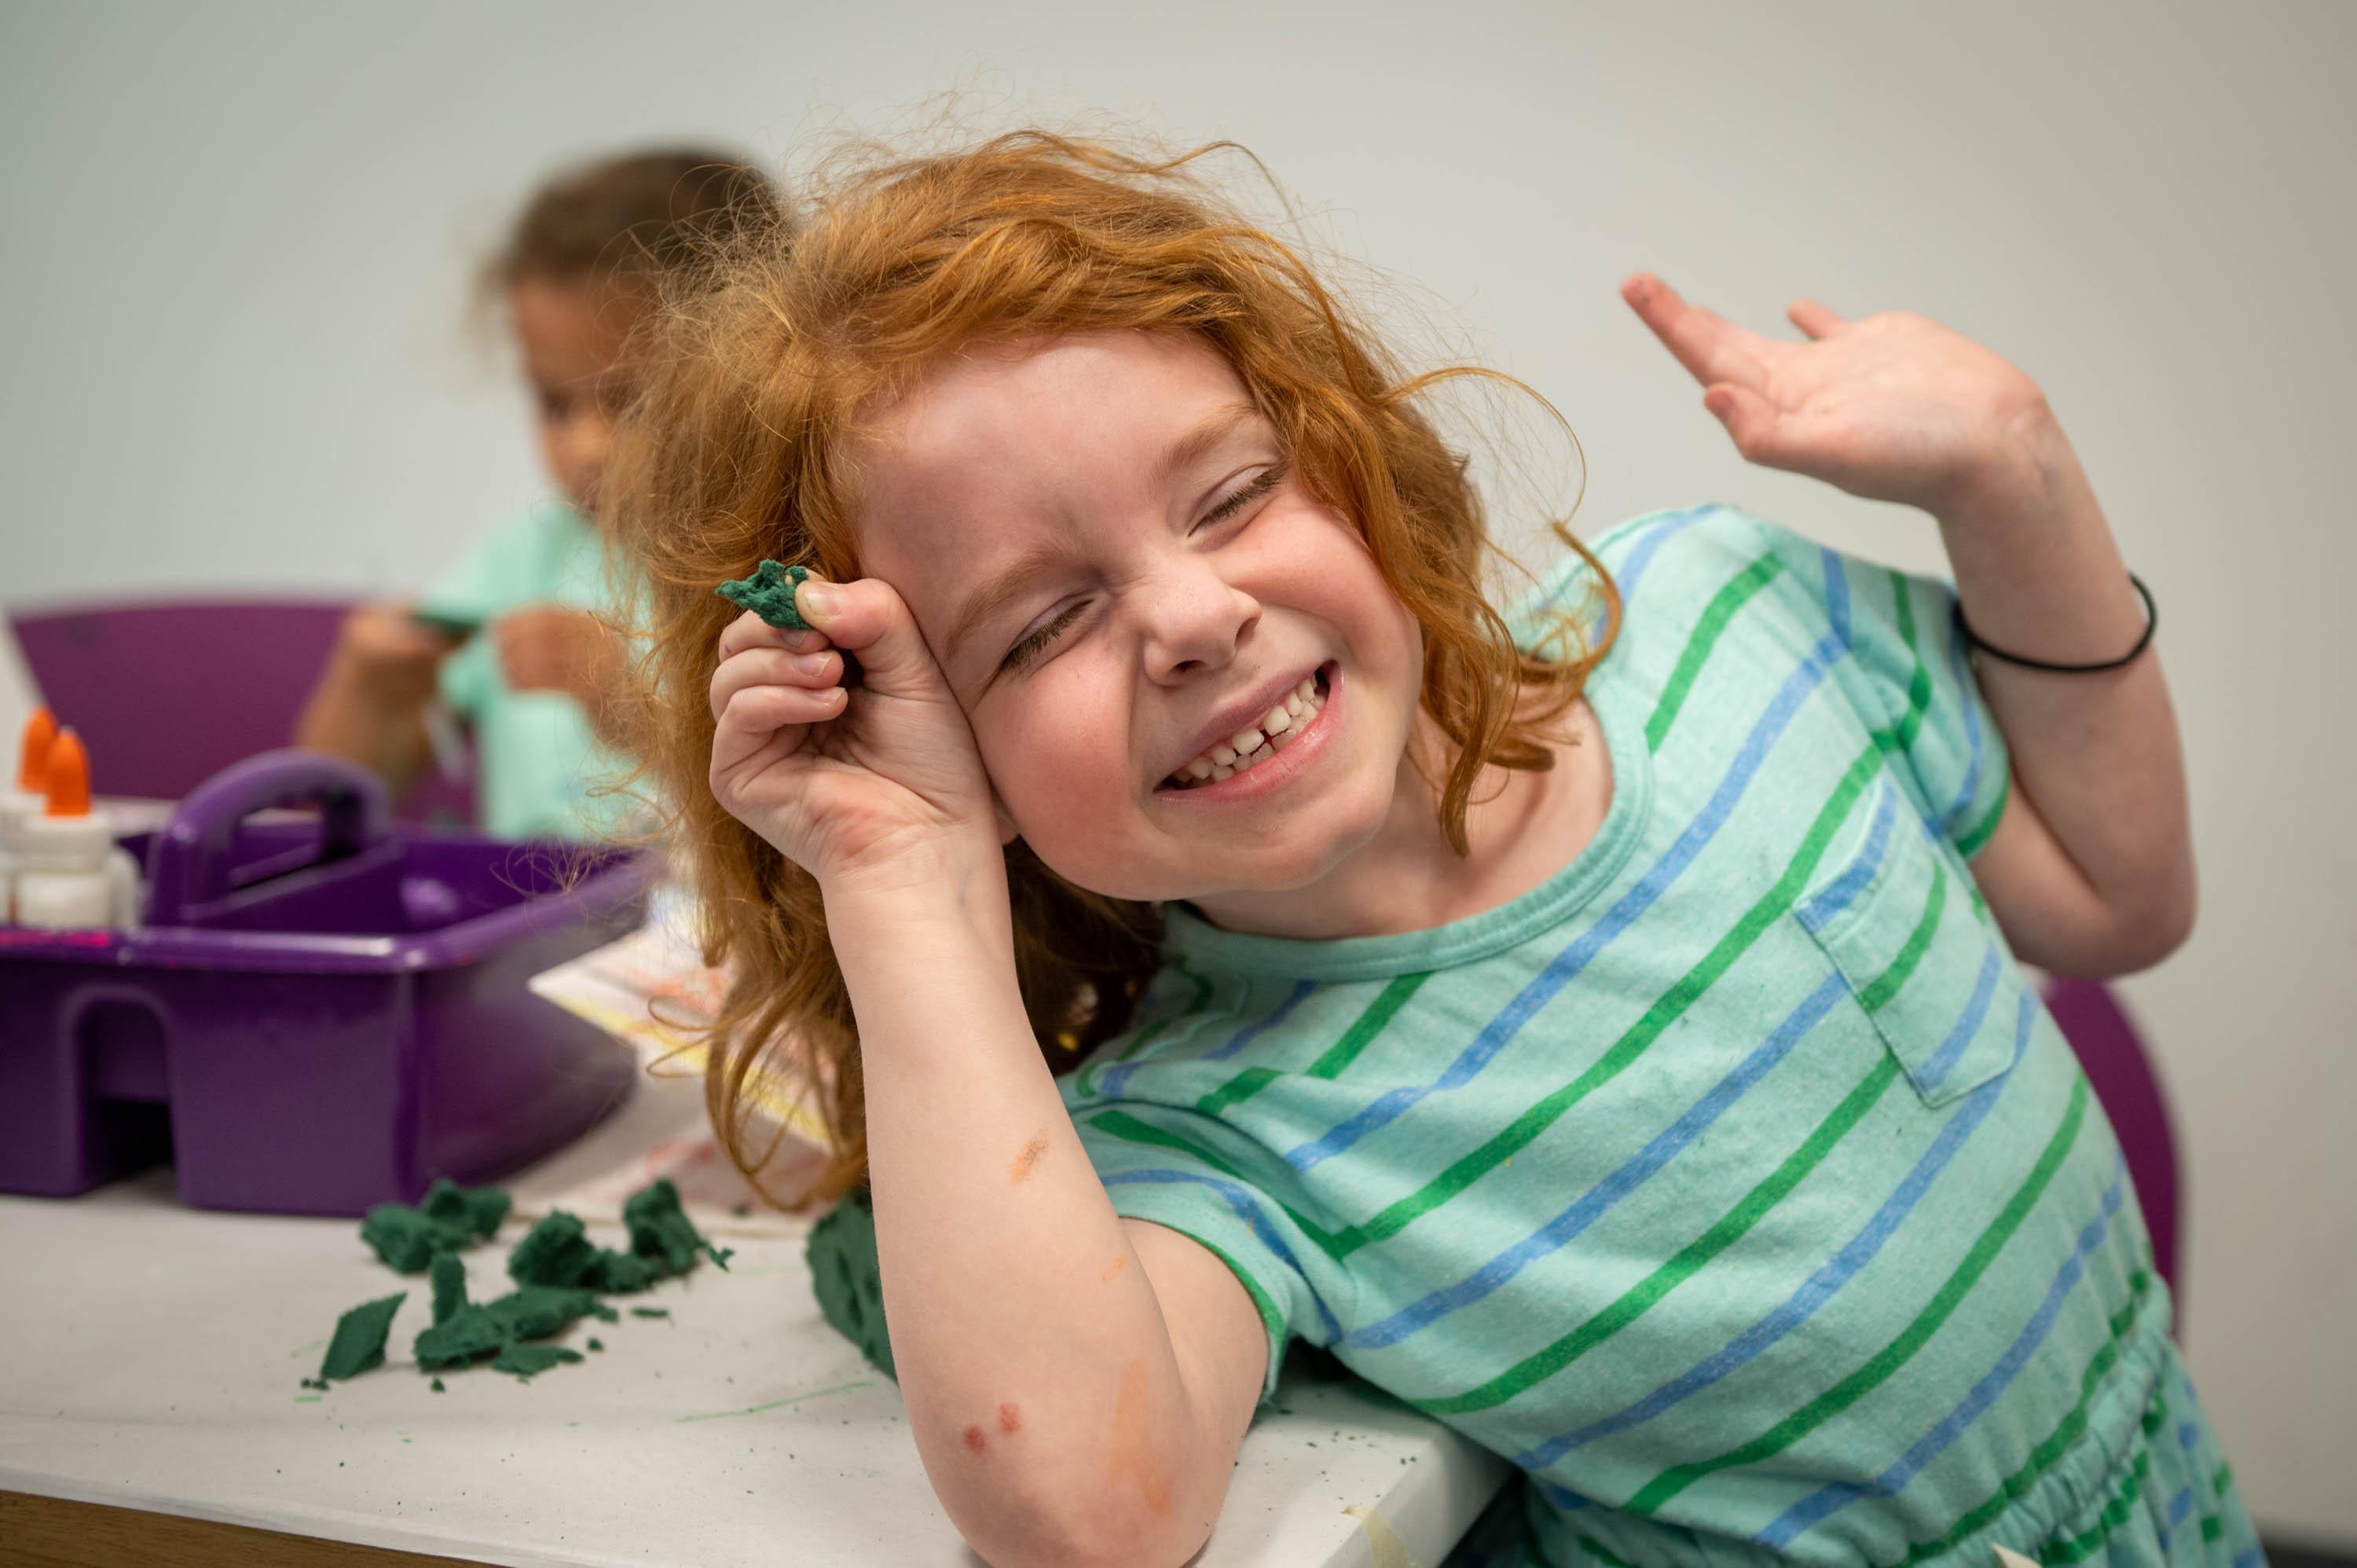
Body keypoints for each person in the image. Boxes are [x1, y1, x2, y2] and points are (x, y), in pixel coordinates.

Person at [605, 131, 2256, 1568]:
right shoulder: (1222, 1123)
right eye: (1043, 627)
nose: (1194, 617)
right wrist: (898, 870)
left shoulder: (1728, 614)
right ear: (960, 762)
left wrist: (2017, 476)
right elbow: (1089, 1515)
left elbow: (2119, 900)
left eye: (1234, 491)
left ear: (1347, 453)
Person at [295, 146, 777, 838]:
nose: (587, 447)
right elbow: (329, 804)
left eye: (631, 403)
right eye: (555, 407)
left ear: (757, 370)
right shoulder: (524, 561)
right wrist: (365, 688)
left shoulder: (775, 565)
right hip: (529, 934)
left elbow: (812, 803)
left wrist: (632, 709)